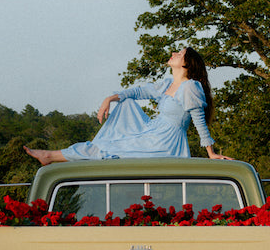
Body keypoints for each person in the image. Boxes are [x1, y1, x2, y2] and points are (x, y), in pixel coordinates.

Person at [24, 47, 233, 165]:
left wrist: (211, 153)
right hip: (151, 132)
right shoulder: (167, 84)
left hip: (164, 142)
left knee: (106, 150)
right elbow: (139, 91)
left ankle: (49, 156)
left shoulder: (190, 87)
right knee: (126, 104)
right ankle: (52, 156)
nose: (174, 53)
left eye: (179, 54)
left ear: (186, 64)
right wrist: (110, 98)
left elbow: (199, 122)